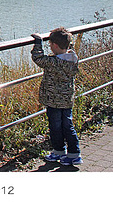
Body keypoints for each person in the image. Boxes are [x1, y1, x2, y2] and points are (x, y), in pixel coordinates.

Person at [31, 27, 82, 166]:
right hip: (67, 99)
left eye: (50, 44)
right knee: (68, 125)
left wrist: (38, 42)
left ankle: (60, 151)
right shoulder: (73, 58)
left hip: (53, 100)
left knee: (55, 127)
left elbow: (38, 58)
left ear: (54, 45)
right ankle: (74, 153)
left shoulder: (53, 62)